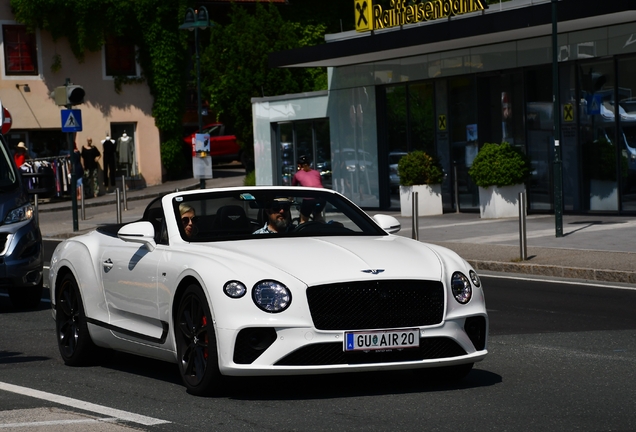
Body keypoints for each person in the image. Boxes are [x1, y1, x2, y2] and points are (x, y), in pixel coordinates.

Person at [292, 155, 325, 223]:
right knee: (318, 216)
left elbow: (293, 188)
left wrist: (290, 199)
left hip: (309, 199)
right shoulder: (316, 172)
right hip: (321, 197)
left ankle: (303, 232)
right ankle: (324, 230)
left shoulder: (297, 174)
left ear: (299, 165)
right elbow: (319, 185)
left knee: (303, 220)